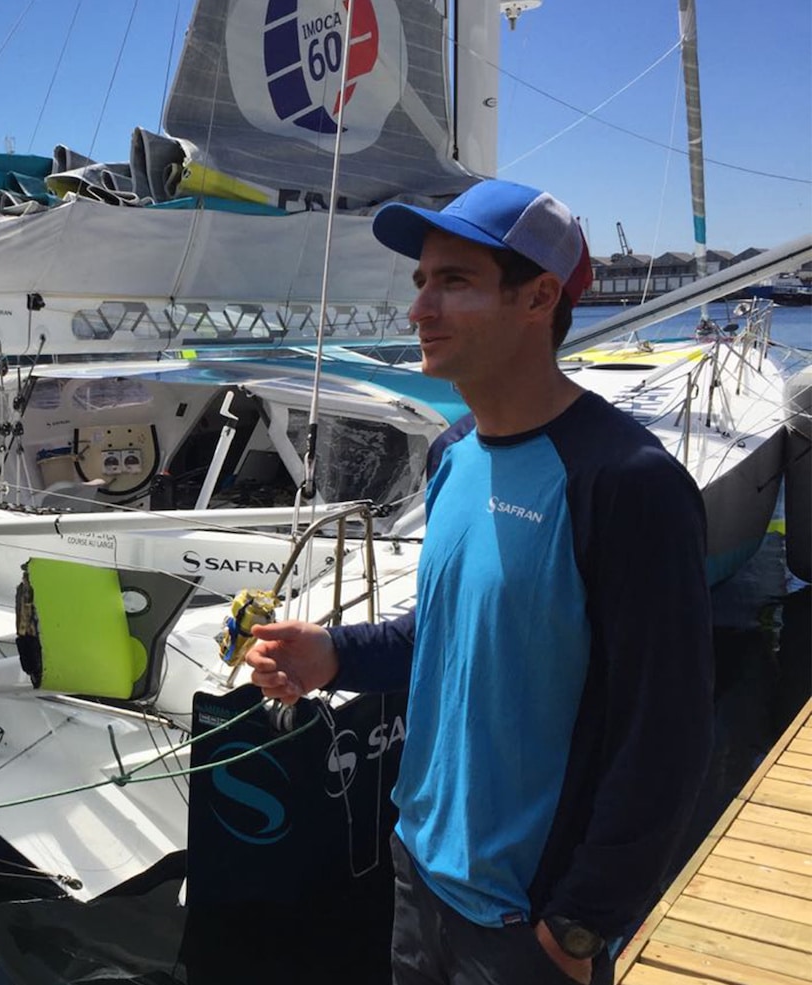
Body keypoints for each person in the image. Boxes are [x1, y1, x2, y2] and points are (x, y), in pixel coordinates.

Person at [245, 179, 713, 985]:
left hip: (524, 920)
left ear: (537, 298)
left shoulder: (624, 481)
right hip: (418, 870)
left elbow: (666, 737)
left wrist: (578, 925)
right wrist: (334, 655)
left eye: (454, 282)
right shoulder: (451, 453)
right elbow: (451, 631)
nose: (420, 308)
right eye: (422, 281)